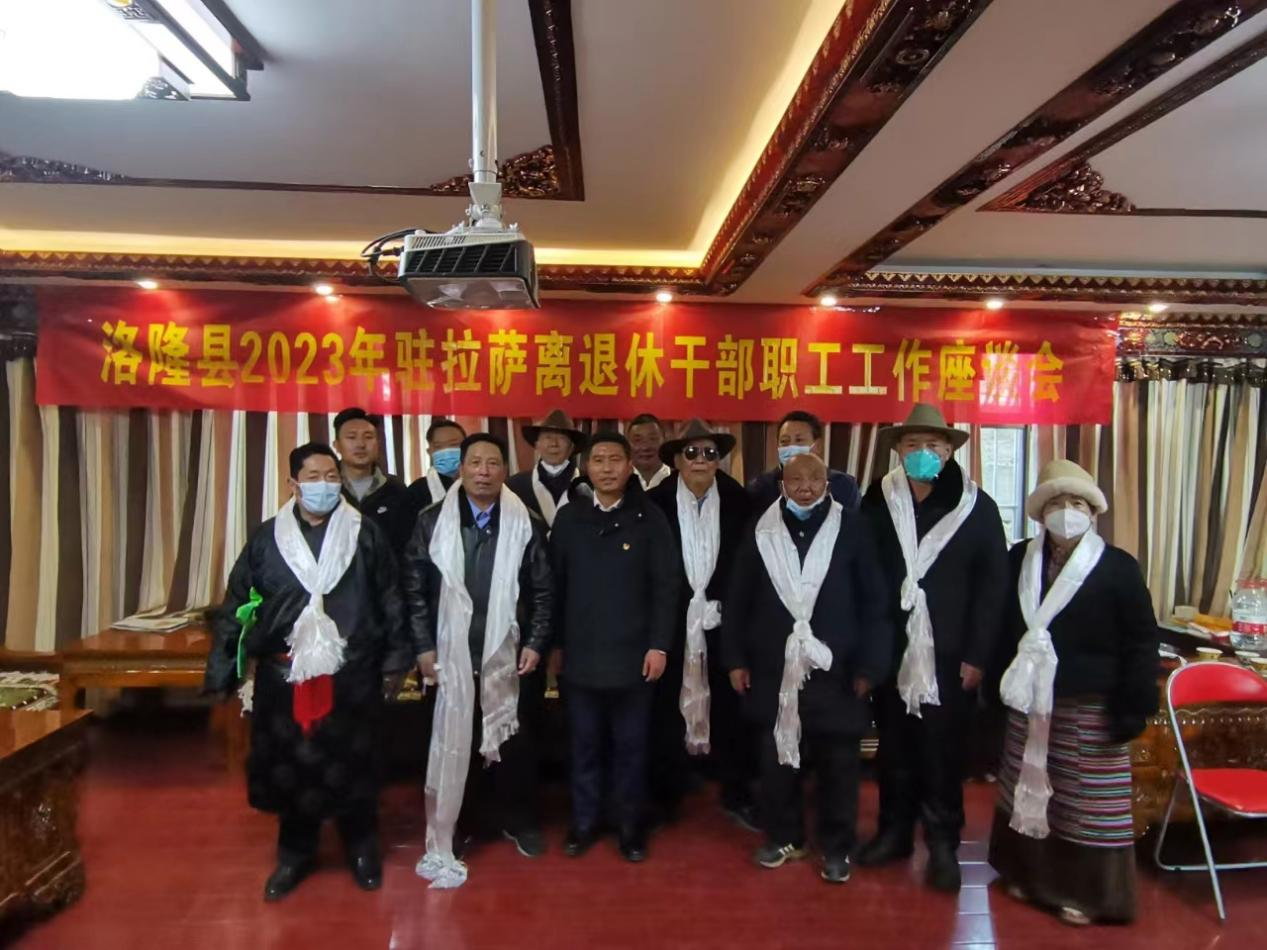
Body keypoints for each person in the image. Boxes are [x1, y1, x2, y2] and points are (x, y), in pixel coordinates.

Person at [206, 443, 412, 901]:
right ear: (293, 484)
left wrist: (396, 660)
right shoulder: (267, 538)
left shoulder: (365, 534)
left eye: (331, 476)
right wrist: (224, 668)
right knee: (292, 767)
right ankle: (295, 852)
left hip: (352, 674)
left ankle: (361, 847)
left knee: (355, 764)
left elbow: (391, 597)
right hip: (286, 677)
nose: (324, 485)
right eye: (314, 477)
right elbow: (238, 601)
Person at [990, 460, 1158, 925]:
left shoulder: (1118, 567)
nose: (1068, 511)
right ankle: (1028, 879)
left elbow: (1141, 641)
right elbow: (1003, 628)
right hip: (1030, 702)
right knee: (1025, 788)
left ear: (1093, 511)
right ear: (1042, 512)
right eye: (1058, 502)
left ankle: (1088, 896)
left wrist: (1135, 705)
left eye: (1078, 503)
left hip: (1091, 704)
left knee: (1085, 803)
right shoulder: (1019, 560)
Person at [857, 403, 1009, 892]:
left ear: (948, 451)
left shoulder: (976, 508)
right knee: (894, 749)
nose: (923, 453)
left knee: (943, 752)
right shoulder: (878, 500)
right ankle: (894, 833)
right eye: (913, 445)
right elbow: (861, 572)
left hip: (950, 655)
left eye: (933, 445)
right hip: (892, 648)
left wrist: (978, 656)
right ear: (898, 451)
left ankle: (943, 843)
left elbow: (993, 588)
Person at [723, 453, 892, 885]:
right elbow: (738, 600)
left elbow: (875, 603)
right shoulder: (761, 530)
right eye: (795, 479)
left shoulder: (852, 528)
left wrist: (870, 667)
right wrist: (736, 659)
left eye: (814, 478)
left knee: (840, 767)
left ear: (828, 484)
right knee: (778, 763)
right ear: (782, 484)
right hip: (772, 670)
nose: (805, 487)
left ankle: (837, 847)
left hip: (839, 672)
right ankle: (785, 837)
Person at [402, 433, 554, 887]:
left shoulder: (526, 522)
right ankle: (460, 823)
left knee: (517, 742)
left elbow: (544, 590)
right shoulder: (432, 521)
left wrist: (536, 642)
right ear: (462, 469)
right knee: (458, 742)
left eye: (493, 463)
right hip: (450, 654)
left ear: (505, 471)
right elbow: (414, 589)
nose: (483, 472)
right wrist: (423, 647)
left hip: (511, 654)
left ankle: (520, 820)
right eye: (475, 463)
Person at [549, 431, 679, 862]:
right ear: (586, 467)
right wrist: (555, 645)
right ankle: (584, 822)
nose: (606, 468)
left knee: (631, 748)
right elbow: (554, 587)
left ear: (629, 466)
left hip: (634, 657)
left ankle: (630, 826)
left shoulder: (650, 517)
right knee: (583, 744)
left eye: (615, 460)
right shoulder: (569, 519)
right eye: (598, 460)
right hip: (581, 655)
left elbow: (666, 586)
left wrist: (659, 645)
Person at [646, 418, 757, 828]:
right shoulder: (654, 503)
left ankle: (736, 791)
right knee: (665, 711)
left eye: (710, 453)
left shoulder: (740, 501)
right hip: (671, 625)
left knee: (731, 711)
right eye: (691, 452)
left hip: (724, 621)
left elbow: (749, 567)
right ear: (677, 460)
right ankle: (665, 794)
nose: (700, 459)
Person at [333, 407, 414, 557]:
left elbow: (408, 548)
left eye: (368, 437)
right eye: (351, 437)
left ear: (378, 443)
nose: (360, 444)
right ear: (336, 445)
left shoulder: (396, 490)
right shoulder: (325, 488)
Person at [746, 410, 861, 512]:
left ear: (817, 446)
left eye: (799, 440)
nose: (791, 447)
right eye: (784, 441)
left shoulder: (844, 486)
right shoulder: (760, 488)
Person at [507, 409, 587, 529]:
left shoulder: (589, 485)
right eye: (547, 437)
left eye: (561, 438)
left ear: (571, 447)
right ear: (537, 444)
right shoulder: (513, 486)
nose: (554, 444)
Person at [406, 417, 467, 513]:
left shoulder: (479, 484)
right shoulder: (417, 491)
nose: (446, 452)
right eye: (438, 447)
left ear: (467, 448)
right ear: (429, 452)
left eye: (453, 444)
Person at [628, 413, 671, 491]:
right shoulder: (619, 483)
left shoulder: (678, 480)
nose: (645, 447)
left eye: (653, 439)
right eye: (637, 440)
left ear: (664, 441)